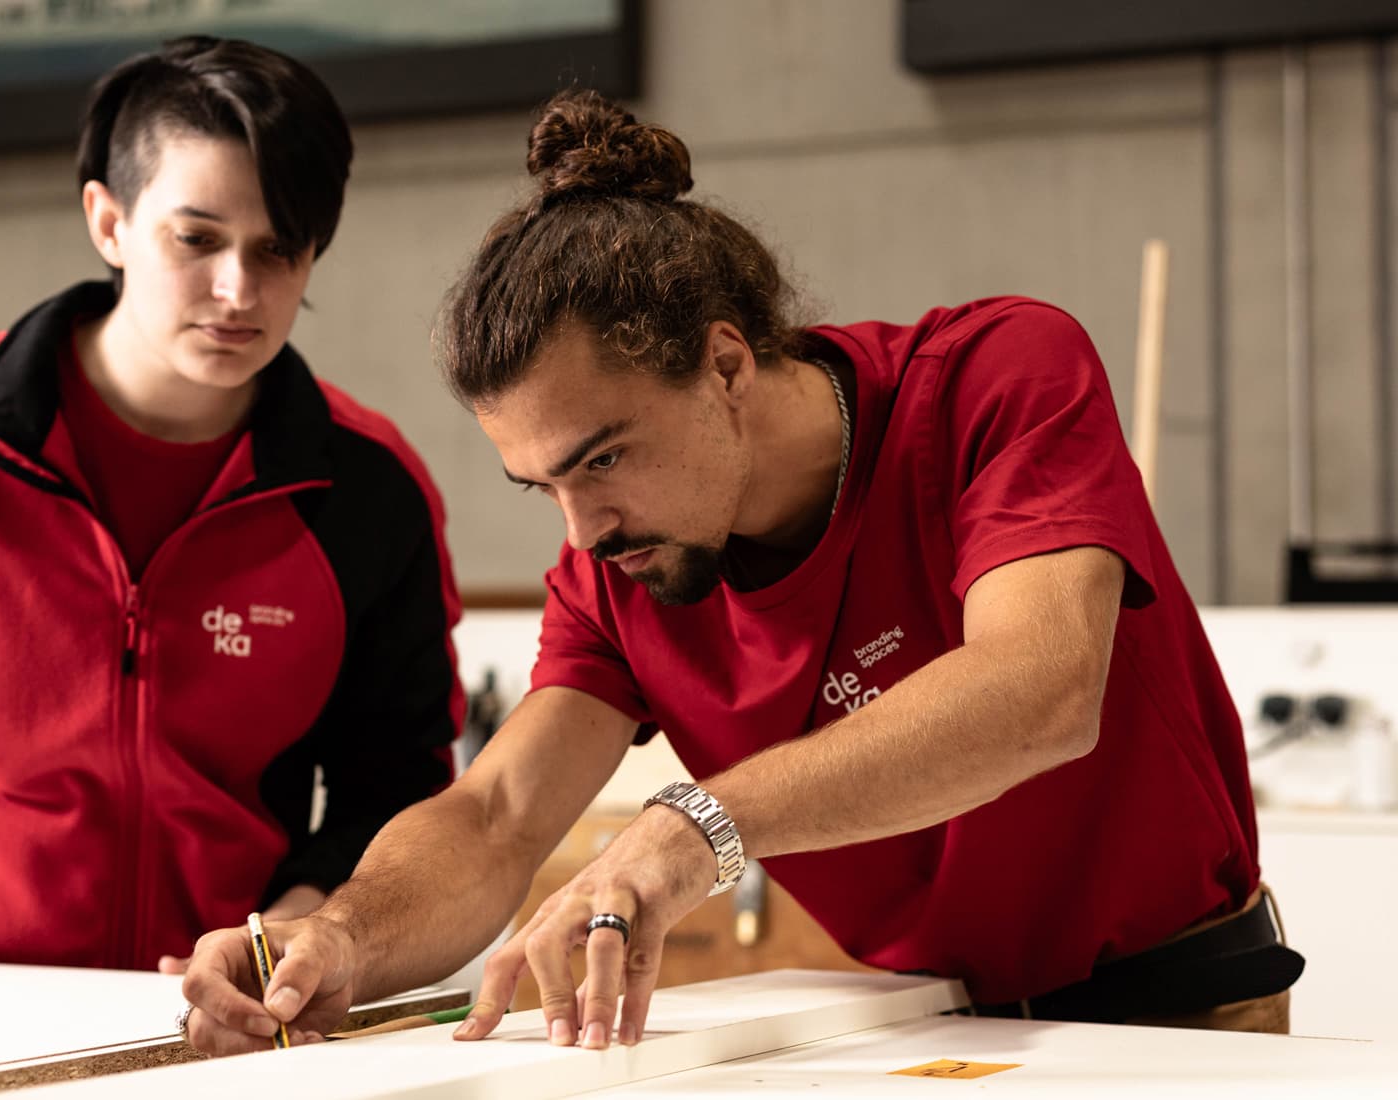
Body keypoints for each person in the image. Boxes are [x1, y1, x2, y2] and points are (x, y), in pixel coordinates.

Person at [179, 88, 1301, 1054]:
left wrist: (691, 824)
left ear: (723, 363)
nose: (581, 531)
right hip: (925, 1034)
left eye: (601, 457)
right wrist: (341, 934)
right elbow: (495, 812)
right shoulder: (625, 564)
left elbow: (1039, 689)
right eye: (543, 487)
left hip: (1181, 1010)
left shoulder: (993, 379)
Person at [0, 37, 463, 972]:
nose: (238, 290)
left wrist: (297, 931)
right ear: (108, 221)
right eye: (198, 238)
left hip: (222, 1027)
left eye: (278, 249)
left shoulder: (369, 489)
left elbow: (401, 794)